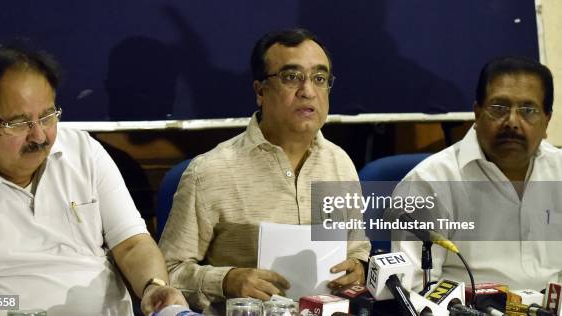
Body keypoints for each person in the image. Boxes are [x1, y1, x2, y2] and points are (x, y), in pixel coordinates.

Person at [0, 43, 187, 315]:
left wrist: (153, 286)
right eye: (19, 123)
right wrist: (1, 306)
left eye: (48, 117)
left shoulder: (84, 151)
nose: (39, 136)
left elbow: (132, 244)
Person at [159, 28, 370, 313]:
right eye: (291, 77)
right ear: (260, 91)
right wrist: (226, 280)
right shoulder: (209, 172)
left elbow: (357, 249)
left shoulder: (340, 164)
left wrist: (358, 268)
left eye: (319, 79)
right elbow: (166, 273)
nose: (308, 91)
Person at [391, 56, 562, 291]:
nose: (512, 121)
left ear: (546, 120)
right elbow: (412, 289)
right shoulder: (429, 182)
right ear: (477, 113)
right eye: (498, 108)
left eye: (528, 110)